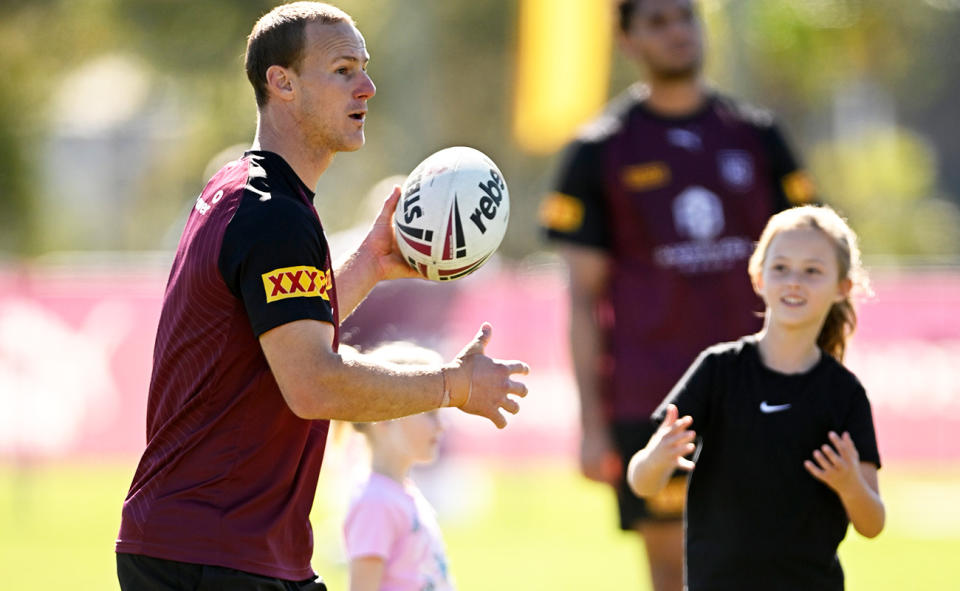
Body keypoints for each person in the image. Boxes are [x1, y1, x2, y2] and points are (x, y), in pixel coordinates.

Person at [115, 4, 529, 590]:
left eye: (365, 67)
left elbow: (274, 338)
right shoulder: (274, 215)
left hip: (216, 546)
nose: (368, 86)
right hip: (214, 552)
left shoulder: (243, 190)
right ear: (280, 82)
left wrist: (370, 265)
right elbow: (313, 383)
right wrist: (453, 386)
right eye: (342, 70)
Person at [538, 1, 815, 588]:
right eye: (657, 22)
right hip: (654, 399)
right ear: (627, 40)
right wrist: (592, 426)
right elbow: (582, 302)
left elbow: (814, 269)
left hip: (764, 389)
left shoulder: (758, 137)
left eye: (685, 17)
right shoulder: (599, 151)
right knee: (676, 570)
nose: (677, 33)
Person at [628, 205, 884, 590]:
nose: (794, 281)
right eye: (781, 268)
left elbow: (873, 524)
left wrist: (849, 485)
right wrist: (656, 459)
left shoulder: (844, 394)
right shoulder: (718, 371)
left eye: (812, 271)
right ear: (758, 276)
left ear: (842, 287)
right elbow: (642, 482)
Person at [343, 342, 455, 591]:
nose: (442, 424)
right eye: (430, 413)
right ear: (385, 416)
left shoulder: (401, 493)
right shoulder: (376, 502)